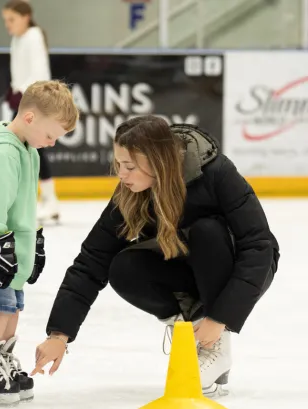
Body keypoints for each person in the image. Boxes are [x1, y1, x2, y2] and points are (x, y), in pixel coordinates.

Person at [31, 115, 280, 397]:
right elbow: (92, 260)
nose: (121, 174)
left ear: (158, 161)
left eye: (129, 166)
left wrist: (221, 317)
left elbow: (259, 246)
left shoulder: (216, 172)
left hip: (236, 266)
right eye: (118, 164)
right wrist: (59, 335)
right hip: (186, 265)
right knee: (124, 266)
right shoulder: (130, 192)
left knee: (206, 231)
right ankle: (192, 333)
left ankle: (215, 346)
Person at [0, 80, 79, 405]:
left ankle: (1, 362)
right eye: (51, 135)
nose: (51, 144)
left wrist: (32, 238)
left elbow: (23, 203)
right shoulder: (3, 152)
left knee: (14, 308)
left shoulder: (27, 149)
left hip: (10, 249)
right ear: (31, 118)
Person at [2, 0, 61, 223]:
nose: (8, 24)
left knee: (29, 149)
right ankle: (48, 201)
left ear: (25, 17)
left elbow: (39, 72)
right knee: (28, 149)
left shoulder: (33, 36)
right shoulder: (18, 39)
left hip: (35, 103)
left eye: (12, 19)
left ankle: (44, 201)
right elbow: (20, 73)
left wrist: (23, 95)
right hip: (27, 101)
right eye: (5, 20)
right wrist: (14, 90)